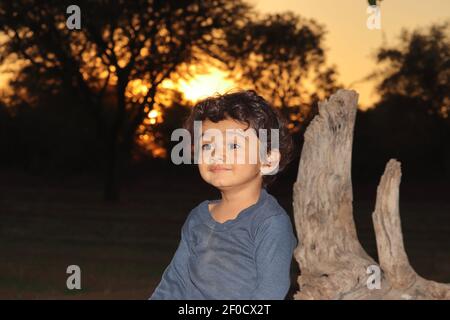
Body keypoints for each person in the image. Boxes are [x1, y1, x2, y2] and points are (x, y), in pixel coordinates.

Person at [149, 90, 297, 300]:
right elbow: (176, 280)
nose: (216, 154)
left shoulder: (270, 223)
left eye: (233, 145)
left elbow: (269, 293)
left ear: (268, 160)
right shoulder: (198, 217)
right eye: (207, 145)